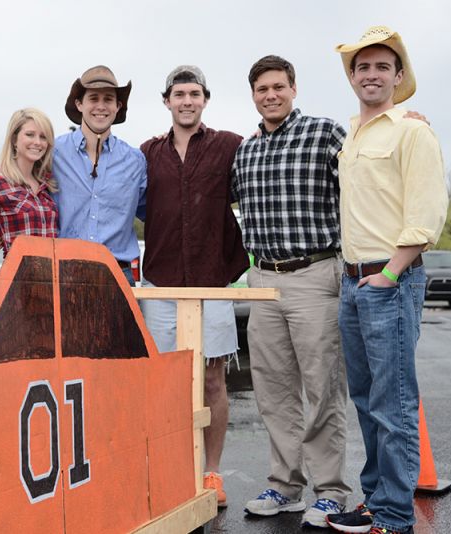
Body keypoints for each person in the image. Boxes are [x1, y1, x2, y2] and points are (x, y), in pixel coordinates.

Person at [325, 27, 447, 534]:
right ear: (352, 77)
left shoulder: (412, 131)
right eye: (362, 67)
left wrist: (390, 273)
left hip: (389, 281)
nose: (370, 74)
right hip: (353, 283)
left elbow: (425, 213)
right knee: (365, 399)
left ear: (399, 76)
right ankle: (378, 501)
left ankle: (395, 517)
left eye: (381, 67)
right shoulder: (351, 135)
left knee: (393, 402)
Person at [230, 55, 352, 528]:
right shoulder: (246, 151)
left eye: (278, 86)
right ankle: (285, 486)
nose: (271, 95)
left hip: (315, 274)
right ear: (254, 94)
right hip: (263, 280)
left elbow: (362, 180)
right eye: (262, 89)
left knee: (322, 388)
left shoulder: (325, 134)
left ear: (294, 88)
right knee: (274, 390)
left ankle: (331, 491)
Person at [139, 66, 249, 508]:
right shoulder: (148, 152)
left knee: (211, 379)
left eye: (195, 93)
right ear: (166, 100)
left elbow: (274, 156)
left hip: (212, 282)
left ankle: (211, 472)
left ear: (206, 99)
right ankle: (170, 470)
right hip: (161, 282)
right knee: (165, 381)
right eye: (179, 94)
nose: (187, 100)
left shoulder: (230, 146)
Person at [51, 65, 147, 285]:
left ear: (118, 106)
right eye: (93, 98)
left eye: (108, 100)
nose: (101, 106)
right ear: (79, 104)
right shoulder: (53, 153)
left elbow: (151, 214)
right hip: (65, 273)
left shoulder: (135, 161)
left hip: (118, 274)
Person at [0, 108, 58, 289]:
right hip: (18, 284)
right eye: (30, 135)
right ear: (14, 139)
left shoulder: (48, 186)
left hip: (53, 284)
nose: (37, 142)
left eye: (43, 137)